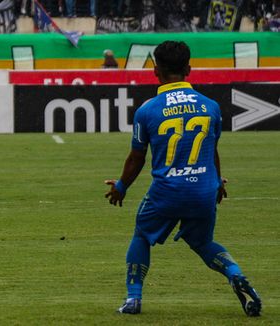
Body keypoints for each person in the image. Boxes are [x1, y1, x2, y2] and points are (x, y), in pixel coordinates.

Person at [104, 41, 262, 316]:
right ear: (189, 69)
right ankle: (235, 273)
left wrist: (121, 186)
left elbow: (137, 157)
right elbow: (211, 148)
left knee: (142, 234)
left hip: (167, 192)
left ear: (155, 71)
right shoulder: (210, 106)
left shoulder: (148, 110)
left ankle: (133, 299)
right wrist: (217, 182)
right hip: (204, 190)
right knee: (203, 243)